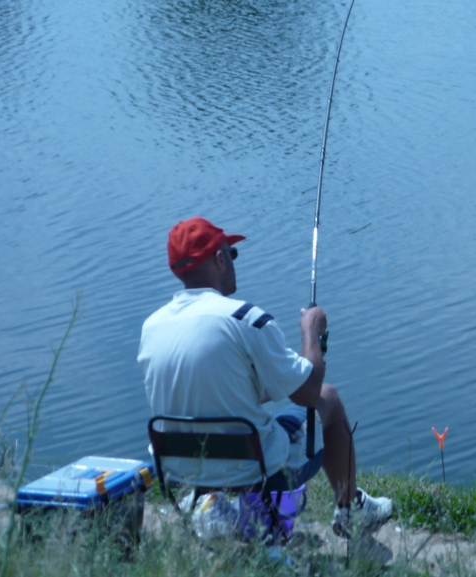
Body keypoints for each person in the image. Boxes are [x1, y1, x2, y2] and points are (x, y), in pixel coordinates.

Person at [138, 216, 391, 538]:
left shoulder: (152, 327)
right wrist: (310, 332)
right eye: (232, 254)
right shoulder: (245, 319)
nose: (233, 262)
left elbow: (222, 390)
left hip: (182, 472)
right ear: (219, 259)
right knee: (329, 397)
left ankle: (210, 502)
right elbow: (308, 393)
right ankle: (351, 511)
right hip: (255, 471)